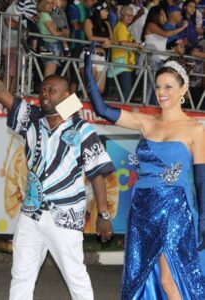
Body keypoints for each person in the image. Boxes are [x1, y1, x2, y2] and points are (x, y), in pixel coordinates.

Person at [0, 40, 115, 300]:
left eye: (52, 90)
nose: (45, 94)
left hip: (65, 217)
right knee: (21, 275)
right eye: (42, 90)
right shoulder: (32, 121)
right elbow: (2, 94)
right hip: (30, 214)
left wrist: (103, 214)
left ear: (66, 97)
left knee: (75, 277)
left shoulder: (82, 130)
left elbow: (96, 173)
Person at [84, 45, 205, 299]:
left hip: (175, 209)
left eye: (168, 87)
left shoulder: (196, 129)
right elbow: (102, 110)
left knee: (169, 279)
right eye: (158, 86)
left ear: (183, 90)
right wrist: (88, 71)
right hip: (142, 209)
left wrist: (203, 219)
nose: (161, 92)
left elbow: (202, 181)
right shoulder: (145, 121)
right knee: (140, 277)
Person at [110, 5, 144, 101]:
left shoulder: (124, 27)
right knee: (126, 93)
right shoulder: (120, 26)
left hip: (124, 63)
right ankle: (121, 113)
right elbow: (122, 43)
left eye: (132, 16)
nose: (130, 17)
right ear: (121, 15)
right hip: (121, 63)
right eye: (128, 15)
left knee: (125, 92)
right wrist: (137, 45)